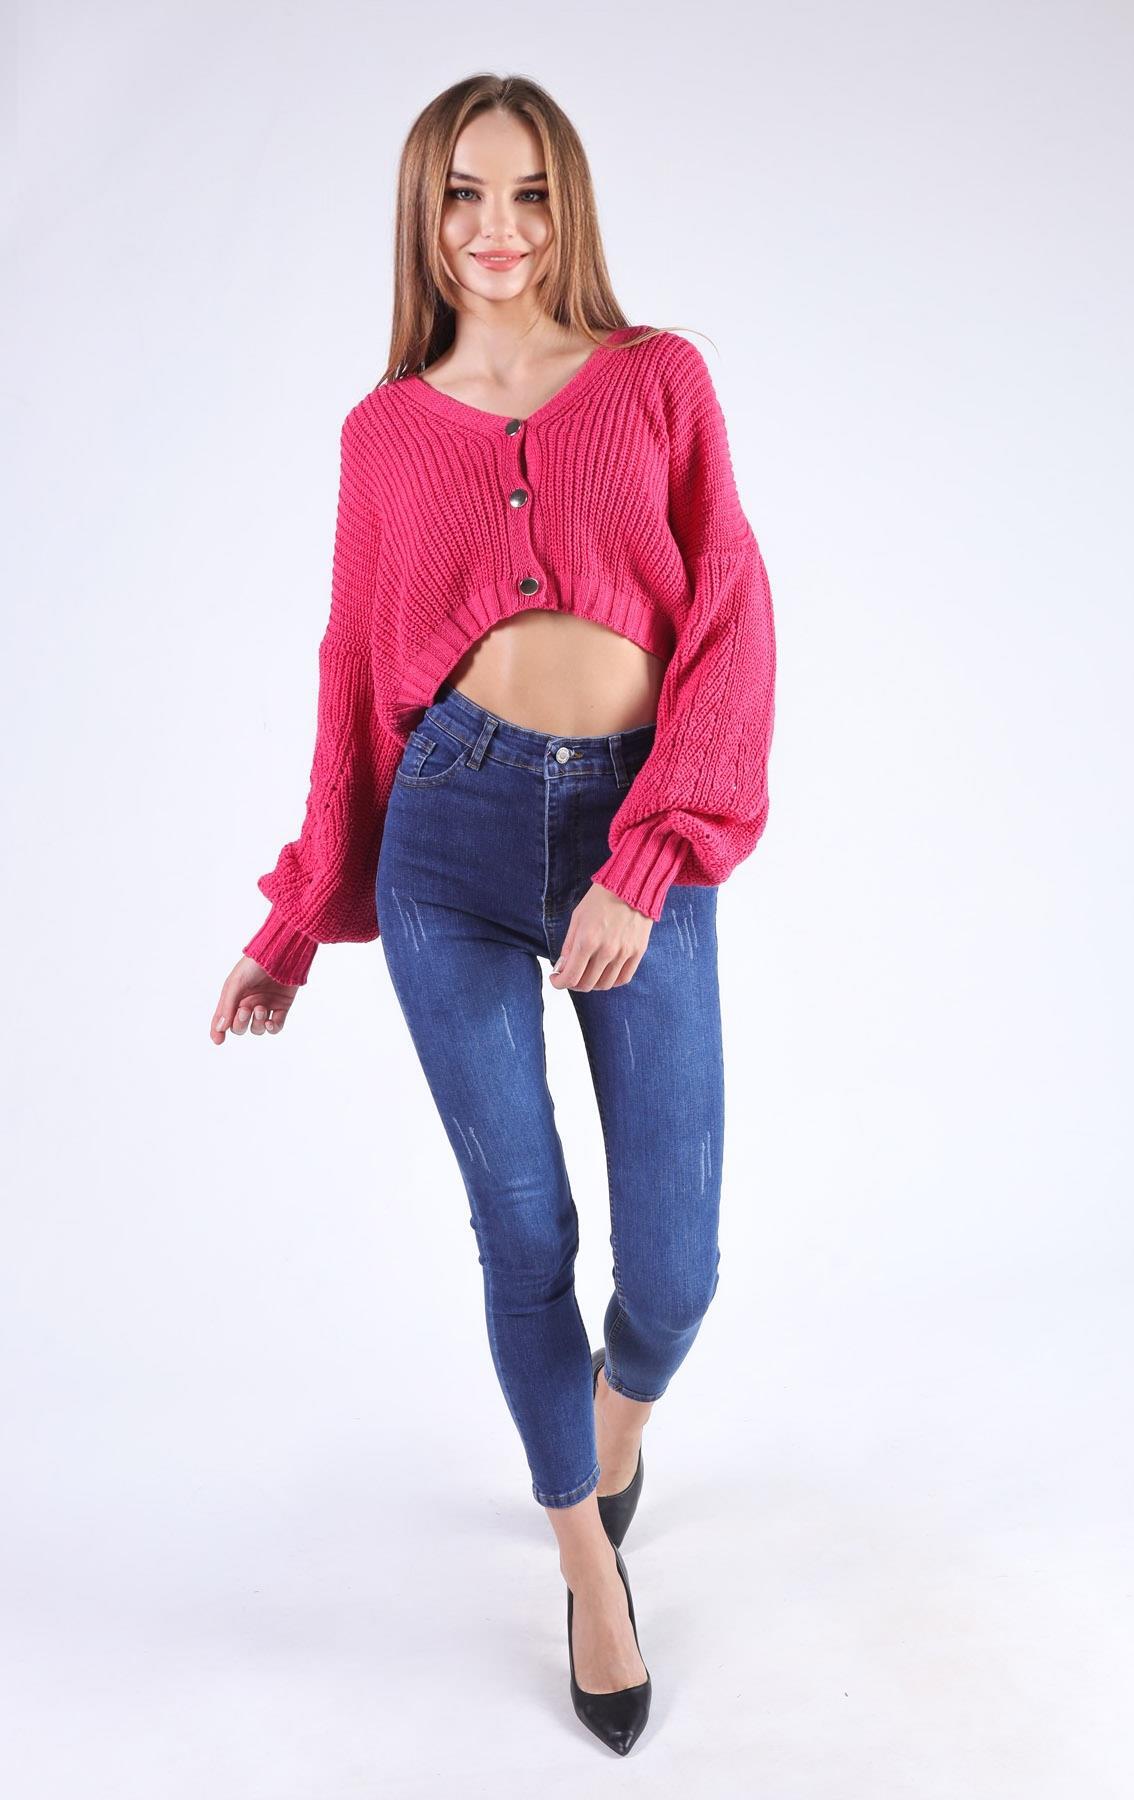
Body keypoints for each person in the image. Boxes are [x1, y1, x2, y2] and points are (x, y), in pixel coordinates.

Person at [209, 73, 776, 1756]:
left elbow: (731, 615)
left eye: (528, 194)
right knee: (522, 1232)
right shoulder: (383, 433)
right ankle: (586, 1561)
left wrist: (645, 861)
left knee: (675, 1268)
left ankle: (615, 1421)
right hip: (447, 840)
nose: (498, 229)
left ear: (568, 205)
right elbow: (350, 673)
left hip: (630, 830)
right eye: (465, 194)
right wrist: (297, 917)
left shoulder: (658, 380)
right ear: (425, 211)